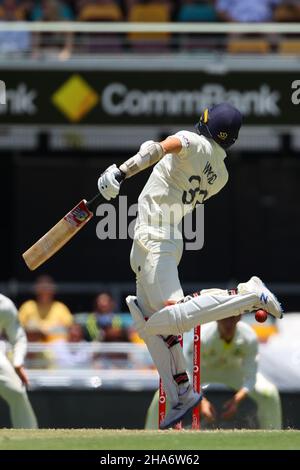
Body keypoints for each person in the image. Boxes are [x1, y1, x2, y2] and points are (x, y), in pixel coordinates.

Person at [97, 102, 283, 429]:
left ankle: (246, 294)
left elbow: (157, 148)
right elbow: (161, 154)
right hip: (157, 237)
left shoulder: (190, 140)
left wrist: (120, 172)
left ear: (204, 122)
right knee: (148, 323)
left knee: (172, 317)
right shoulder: (221, 175)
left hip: (157, 237)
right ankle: (181, 392)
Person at [145, 316, 282, 429]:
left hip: (233, 370)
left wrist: (237, 400)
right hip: (203, 370)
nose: (228, 324)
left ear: (239, 317)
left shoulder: (249, 337)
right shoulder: (201, 337)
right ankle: (150, 440)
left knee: (269, 394)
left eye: (232, 318)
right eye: (224, 319)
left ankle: (273, 438)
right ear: (217, 318)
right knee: (163, 394)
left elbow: (250, 376)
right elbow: (187, 373)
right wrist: (200, 401)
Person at [0, 293, 37, 428]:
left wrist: (18, 363)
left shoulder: (4, 305)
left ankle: (30, 440)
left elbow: (18, 338)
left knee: (17, 392)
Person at [19, 275, 73, 343]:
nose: (44, 293)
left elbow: (70, 328)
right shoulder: (28, 306)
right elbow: (18, 328)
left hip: (56, 348)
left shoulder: (60, 307)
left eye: (47, 290)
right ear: (36, 290)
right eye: (41, 290)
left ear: (52, 291)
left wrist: (46, 331)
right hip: (33, 348)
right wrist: (33, 330)